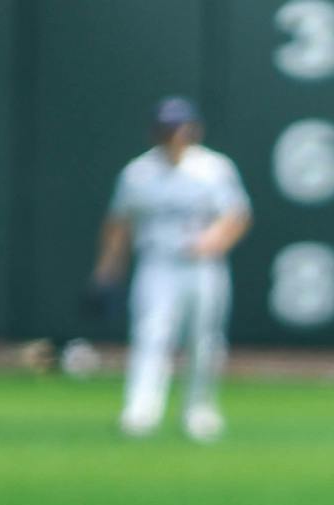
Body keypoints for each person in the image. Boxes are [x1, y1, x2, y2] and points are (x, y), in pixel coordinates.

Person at [90, 97, 251, 443]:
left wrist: (214, 240)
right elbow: (119, 223)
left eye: (181, 127)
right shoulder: (138, 173)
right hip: (158, 262)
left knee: (204, 340)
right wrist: (107, 270)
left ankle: (199, 410)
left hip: (203, 265)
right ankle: (141, 411)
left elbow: (237, 216)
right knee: (151, 335)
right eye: (168, 128)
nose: (175, 134)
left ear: (195, 130)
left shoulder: (213, 168)